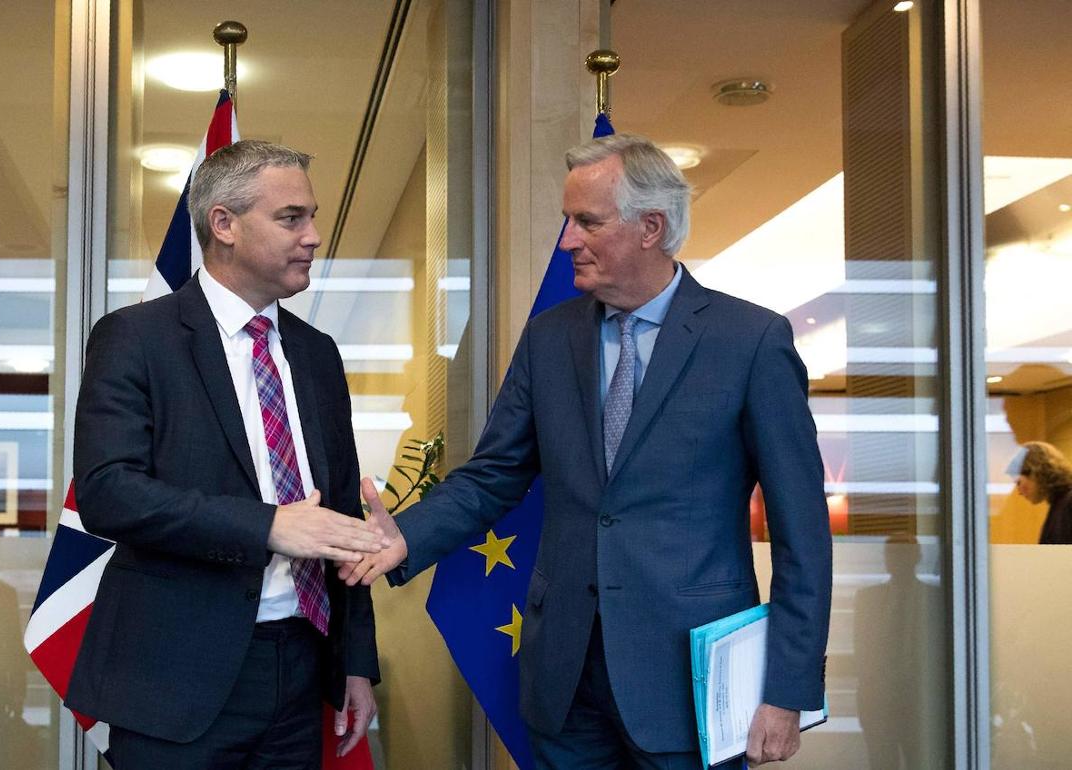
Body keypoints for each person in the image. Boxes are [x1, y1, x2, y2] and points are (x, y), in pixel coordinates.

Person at [342, 133, 832, 769]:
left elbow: (803, 532)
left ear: (650, 227)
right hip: (563, 678)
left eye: (588, 222)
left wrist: (787, 690)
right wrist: (403, 537)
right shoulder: (551, 337)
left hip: (690, 685)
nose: (568, 238)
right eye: (567, 220)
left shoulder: (750, 340)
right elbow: (495, 474)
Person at [66, 139, 387, 768]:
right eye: (292, 218)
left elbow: (340, 515)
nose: (314, 236)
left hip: (299, 665)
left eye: (312, 217)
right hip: (174, 674)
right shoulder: (136, 338)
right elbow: (108, 491)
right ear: (224, 224)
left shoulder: (317, 353)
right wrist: (268, 525)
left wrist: (355, 663)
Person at [1008, 441, 1072, 544]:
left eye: (1019, 482)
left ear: (1035, 473)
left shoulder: (1068, 503)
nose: (1019, 491)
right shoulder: (1059, 504)